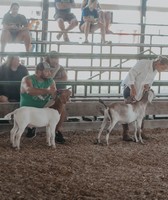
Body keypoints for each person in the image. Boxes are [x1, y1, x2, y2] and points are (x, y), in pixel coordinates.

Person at [121, 56, 168, 141]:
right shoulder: (143, 63)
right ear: (158, 63)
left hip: (140, 91)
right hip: (129, 88)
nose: (163, 70)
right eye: (163, 67)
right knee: (127, 111)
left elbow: (150, 82)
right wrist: (132, 87)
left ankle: (140, 132)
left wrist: (147, 86)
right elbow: (132, 73)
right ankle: (125, 134)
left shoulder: (155, 70)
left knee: (141, 112)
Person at [20, 61, 67, 144]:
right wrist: (47, 91)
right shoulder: (27, 79)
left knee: (61, 108)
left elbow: (54, 94)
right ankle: (31, 127)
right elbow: (29, 90)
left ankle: (56, 130)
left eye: (49, 71)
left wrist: (60, 94)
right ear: (38, 72)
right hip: (29, 107)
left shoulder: (50, 81)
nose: (49, 73)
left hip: (45, 106)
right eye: (46, 71)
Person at [45, 51, 68, 142]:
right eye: (53, 58)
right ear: (49, 58)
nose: (55, 60)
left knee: (62, 109)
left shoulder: (61, 67)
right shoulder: (45, 67)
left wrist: (55, 80)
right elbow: (48, 81)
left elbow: (65, 79)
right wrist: (56, 70)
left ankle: (57, 130)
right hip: (47, 91)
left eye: (57, 58)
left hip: (59, 91)